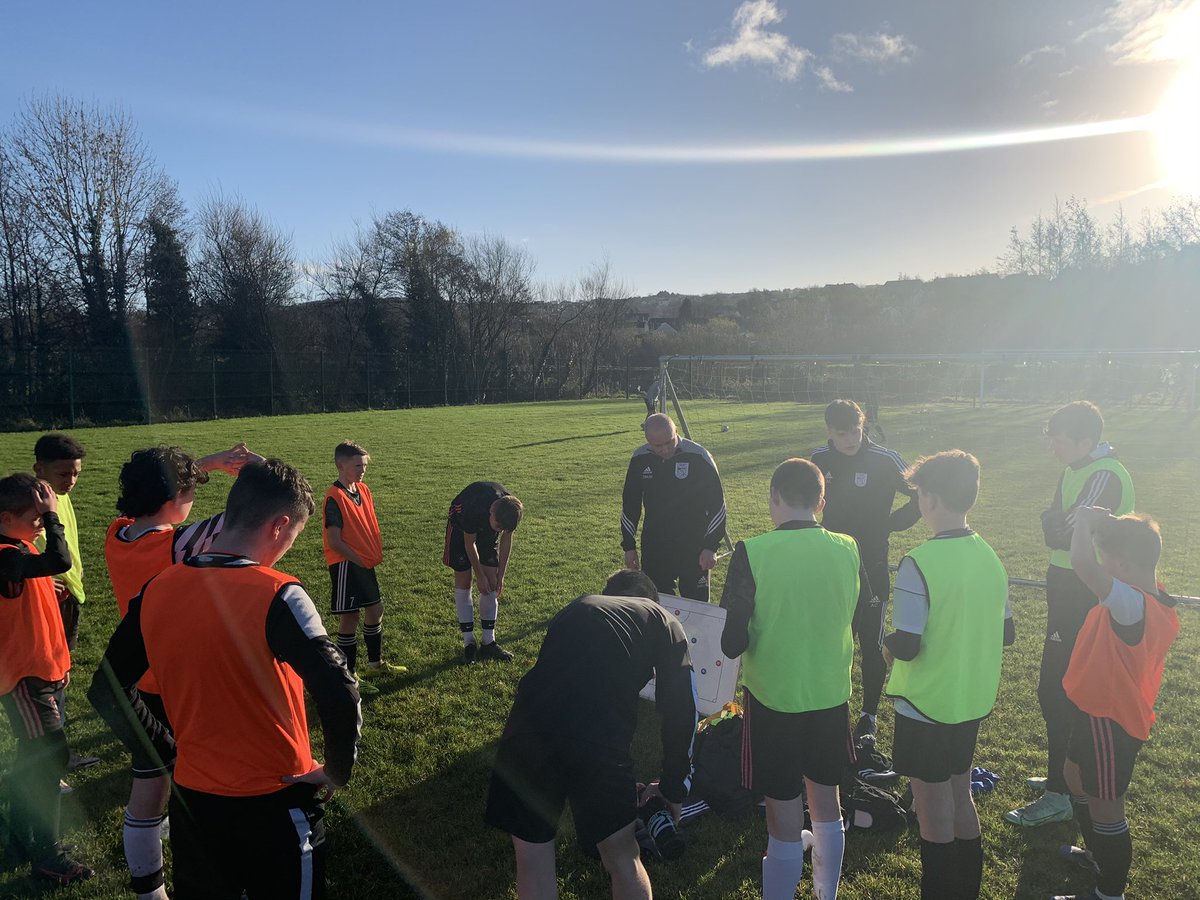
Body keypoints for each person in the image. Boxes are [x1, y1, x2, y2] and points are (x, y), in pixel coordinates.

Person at [89, 459, 361, 900]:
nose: (288, 548)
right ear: (279, 526)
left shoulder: (155, 589)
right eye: (293, 538)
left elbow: (105, 689)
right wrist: (336, 771)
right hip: (277, 798)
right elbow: (339, 689)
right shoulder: (278, 592)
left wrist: (164, 749)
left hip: (195, 804)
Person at [102, 442, 258, 900]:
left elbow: (163, 495)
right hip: (184, 683)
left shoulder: (118, 533)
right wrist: (258, 467)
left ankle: (149, 892)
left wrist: (205, 465)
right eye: (192, 489)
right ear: (177, 496)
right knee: (210, 789)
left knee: (149, 785)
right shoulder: (182, 544)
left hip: (140, 682)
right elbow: (255, 513)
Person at [484, 569, 697, 900]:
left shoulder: (578, 606)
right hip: (598, 737)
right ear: (652, 598)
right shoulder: (663, 619)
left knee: (533, 862)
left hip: (526, 727)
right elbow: (681, 711)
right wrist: (673, 788)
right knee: (623, 857)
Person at [720, 458, 862, 900]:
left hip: (774, 699)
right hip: (829, 694)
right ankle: (825, 894)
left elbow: (730, 642)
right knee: (826, 802)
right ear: (821, 501)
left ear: (773, 498)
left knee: (783, 815)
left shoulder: (752, 551)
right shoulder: (848, 547)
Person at [882, 450, 1012, 900]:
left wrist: (884, 644)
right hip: (969, 700)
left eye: (919, 494)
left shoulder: (918, 561)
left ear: (930, 499)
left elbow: (909, 643)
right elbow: (1007, 631)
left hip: (925, 703)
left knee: (931, 810)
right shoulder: (990, 556)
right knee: (961, 796)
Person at [1007, 401, 1134, 828]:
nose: (1052, 448)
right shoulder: (1074, 470)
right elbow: (1054, 527)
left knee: (1062, 689)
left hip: (1085, 591)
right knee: (1055, 687)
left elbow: (1060, 531)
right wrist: (1056, 523)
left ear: (1084, 440)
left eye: (1058, 440)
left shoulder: (1106, 475)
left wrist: (1057, 523)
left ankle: (1062, 794)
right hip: (1063, 585)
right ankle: (1062, 776)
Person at [1052, 508, 1178, 900]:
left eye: (1107, 559)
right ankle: (1097, 854)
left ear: (1122, 564)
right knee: (1073, 776)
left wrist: (1087, 522)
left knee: (1108, 809)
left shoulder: (1132, 604)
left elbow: (1081, 563)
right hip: (1092, 711)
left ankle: (1109, 893)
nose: (1102, 567)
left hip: (1112, 722)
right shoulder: (1146, 590)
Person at [0, 473, 93, 884]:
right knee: (49, 758)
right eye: (35, 516)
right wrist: (54, 518)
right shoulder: (4, 553)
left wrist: (60, 666)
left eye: (43, 516)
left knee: (32, 762)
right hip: (23, 679)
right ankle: (47, 856)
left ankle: (20, 842)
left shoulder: (18, 548)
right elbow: (60, 559)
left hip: (44, 672)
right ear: (5, 517)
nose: (42, 523)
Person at [810, 399, 920, 740]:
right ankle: (831, 705)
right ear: (829, 431)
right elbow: (802, 500)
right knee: (832, 640)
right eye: (842, 433)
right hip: (831, 566)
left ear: (864, 426)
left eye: (856, 431)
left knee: (870, 645)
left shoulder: (885, 459)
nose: (850, 439)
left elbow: (921, 492)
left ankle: (868, 714)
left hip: (871, 565)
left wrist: (891, 524)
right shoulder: (818, 460)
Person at [32, 433, 98, 773]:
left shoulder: (57, 495)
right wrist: (41, 578)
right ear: (38, 468)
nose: (70, 481)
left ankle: (60, 756)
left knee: (61, 677)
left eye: (75, 473)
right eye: (63, 474)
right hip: (47, 603)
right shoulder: (27, 502)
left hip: (69, 597)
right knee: (47, 682)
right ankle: (51, 763)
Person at [324, 441, 405, 696]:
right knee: (351, 617)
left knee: (375, 609)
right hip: (347, 563)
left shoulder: (363, 490)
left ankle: (375, 664)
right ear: (341, 465)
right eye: (358, 465)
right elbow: (335, 541)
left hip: (363, 562)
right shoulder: (334, 497)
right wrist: (358, 559)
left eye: (364, 465)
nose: (362, 470)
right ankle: (348, 676)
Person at [621, 414, 727, 603]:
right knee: (658, 605)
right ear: (647, 441)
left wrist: (710, 546)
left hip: (694, 547)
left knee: (698, 608)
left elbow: (717, 505)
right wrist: (629, 547)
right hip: (656, 547)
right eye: (657, 446)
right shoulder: (640, 458)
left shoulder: (698, 456)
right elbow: (630, 505)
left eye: (669, 442)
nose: (665, 449)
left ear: (676, 431)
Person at [444, 481, 524, 664]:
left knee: (491, 583)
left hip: (486, 527)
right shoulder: (473, 507)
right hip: (460, 530)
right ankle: (469, 643)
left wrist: (501, 576)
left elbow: (505, 541)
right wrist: (478, 575)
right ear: (492, 512)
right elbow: (469, 543)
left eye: (503, 529)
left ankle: (489, 642)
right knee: (464, 581)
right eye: (498, 527)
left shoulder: (511, 510)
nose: (501, 531)